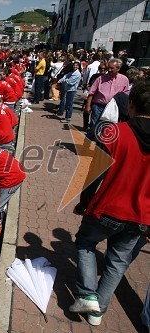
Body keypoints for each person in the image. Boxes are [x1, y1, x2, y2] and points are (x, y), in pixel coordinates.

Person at [69, 79, 149, 326]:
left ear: (131, 105)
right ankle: (98, 311)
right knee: (117, 262)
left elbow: (93, 172)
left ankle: (87, 294)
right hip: (141, 216)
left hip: (107, 208)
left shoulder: (116, 133)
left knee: (85, 243)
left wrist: (84, 202)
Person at [85, 58, 130, 140]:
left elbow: (125, 95)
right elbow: (91, 93)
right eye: (108, 67)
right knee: (94, 126)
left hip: (114, 109)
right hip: (99, 107)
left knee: (109, 129)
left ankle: (101, 146)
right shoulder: (100, 79)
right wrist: (88, 106)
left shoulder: (124, 80)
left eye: (112, 68)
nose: (109, 70)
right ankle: (87, 145)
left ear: (118, 69)